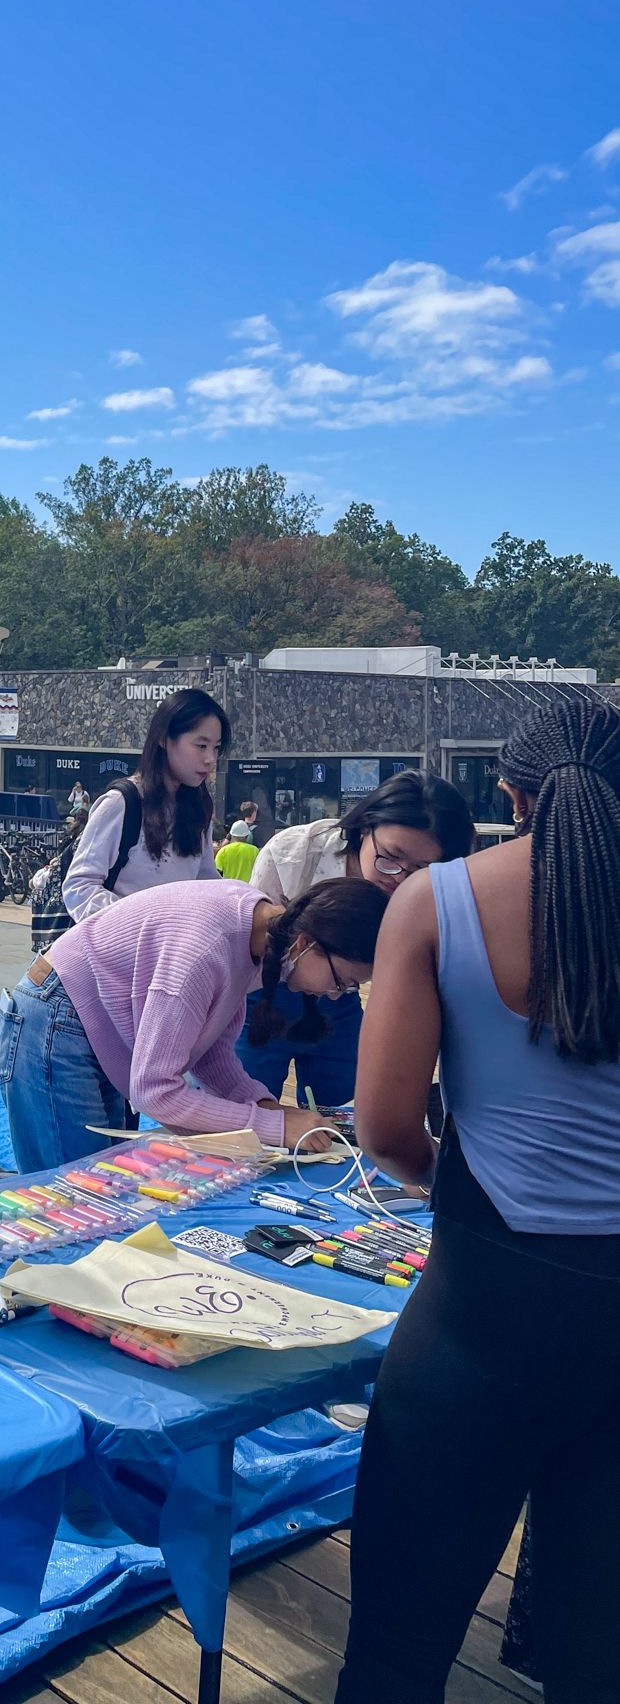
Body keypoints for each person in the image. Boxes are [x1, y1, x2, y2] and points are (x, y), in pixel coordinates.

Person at [336, 696, 620, 1704]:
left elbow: (384, 1126)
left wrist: (455, 1178)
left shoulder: (438, 901)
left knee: (395, 1657)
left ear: (509, 792)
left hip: (480, 1322)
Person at [0, 874, 386, 1170]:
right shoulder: (205, 950)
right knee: (74, 1194)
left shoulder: (257, 935)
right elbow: (156, 1093)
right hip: (56, 1023)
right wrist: (274, 1129)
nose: (336, 995)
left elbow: (211, 1054)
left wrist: (268, 1107)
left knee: (103, 1181)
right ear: (306, 945)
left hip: (87, 1023)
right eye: (343, 983)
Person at [238, 770, 474, 1108]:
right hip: (265, 992)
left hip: (341, 999)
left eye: (420, 868)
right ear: (365, 826)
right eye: (390, 857)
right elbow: (253, 942)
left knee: (343, 1116)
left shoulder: (438, 889)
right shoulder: (295, 853)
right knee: (244, 1108)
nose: (399, 878)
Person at [62, 688, 228, 921]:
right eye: (201, 746)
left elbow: (205, 881)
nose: (210, 758)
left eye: (217, 747)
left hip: (171, 954)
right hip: (120, 951)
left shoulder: (198, 807)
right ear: (163, 739)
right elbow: (79, 888)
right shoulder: (122, 803)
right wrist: (143, 925)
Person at [29, 812, 86, 954]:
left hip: (60, 910)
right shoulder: (85, 841)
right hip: (73, 909)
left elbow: (55, 871)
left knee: (51, 959)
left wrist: (34, 882)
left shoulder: (74, 843)